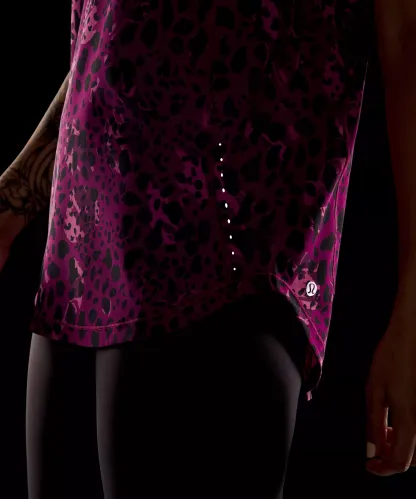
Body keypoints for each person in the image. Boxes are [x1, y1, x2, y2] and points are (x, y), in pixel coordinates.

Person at [1, 1, 415, 498]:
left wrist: (412, 315)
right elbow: (111, 31)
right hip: (78, 266)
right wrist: (11, 201)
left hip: (221, 266)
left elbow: (407, 38)